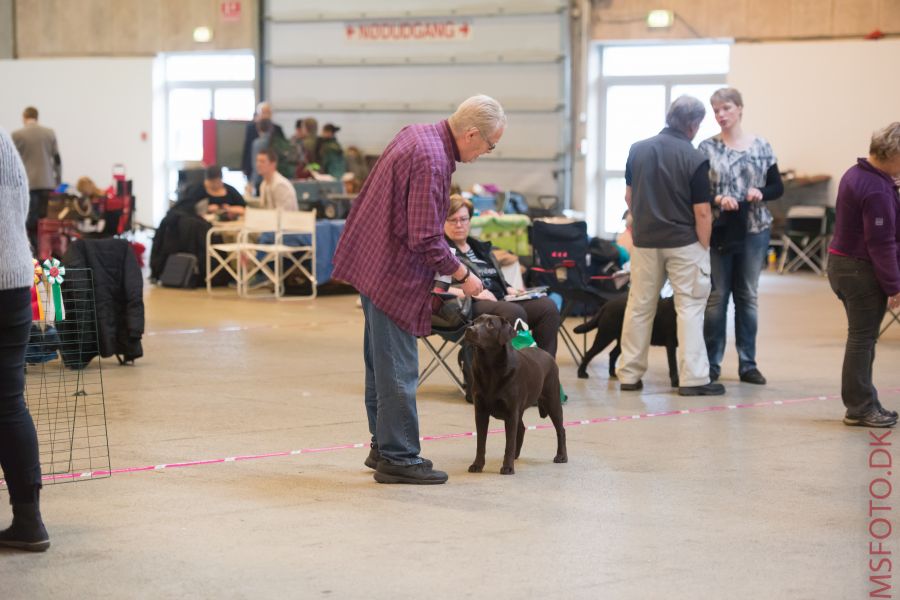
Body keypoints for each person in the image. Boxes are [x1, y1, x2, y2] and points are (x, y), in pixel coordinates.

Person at [332, 94, 504, 484]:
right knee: (398, 369)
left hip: (372, 261)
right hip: (393, 272)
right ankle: (399, 455)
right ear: (472, 133)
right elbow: (426, 237)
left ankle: (384, 445)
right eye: (490, 145)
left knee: (380, 364)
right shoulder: (433, 161)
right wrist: (464, 276)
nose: (485, 153)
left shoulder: (418, 134)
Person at [617, 95, 724, 396]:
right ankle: (693, 379)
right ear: (692, 124)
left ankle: (629, 375)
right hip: (683, 242)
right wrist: (703, 247)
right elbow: (702, 211)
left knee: (639, 306)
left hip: (646, 241)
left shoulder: (637, 150)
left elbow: (629, 197)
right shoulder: (694, 158)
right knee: (689, 307)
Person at [699, 88, 784, 385]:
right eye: (716, 110)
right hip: (721, 230)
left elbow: (777, 187)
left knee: (747, 296)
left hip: (754, 229)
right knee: (717, 296)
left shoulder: (761, 146)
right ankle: (711, 363)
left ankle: (748, 363)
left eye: (726, 108)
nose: (721, 115)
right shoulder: (706, 148)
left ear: (740, 109)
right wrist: (719, 199)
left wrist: (760, 192)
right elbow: (697, 192)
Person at [827, 122, 900, 428]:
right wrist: (894, 285)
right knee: (862, 339)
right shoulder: (877, 189)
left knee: (863, 338)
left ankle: (866, 400)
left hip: (841, 264)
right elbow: (880, 243)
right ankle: (859, 407)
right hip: (859, 271)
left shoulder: (856, 173)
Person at [0, 127, 50, 551]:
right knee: (9, 402)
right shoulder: (3, 139)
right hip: (15, 281)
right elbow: (22, 204)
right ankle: (29, 520)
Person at [440, 194, 560, 356]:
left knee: (547, 307)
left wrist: (511, 290)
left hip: (500, 300)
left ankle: (544, 369)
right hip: (468, 306)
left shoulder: (480, 247)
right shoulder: (442, 251)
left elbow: (496, 278)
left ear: (470, 220)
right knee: (512, 312)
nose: (459, 225)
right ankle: (518, 373)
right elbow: (437, 288)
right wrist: (472, 293)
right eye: (452, 220)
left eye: (463, 219)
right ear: (442, 221)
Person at [12, 106, 61, 251]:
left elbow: (13, 162)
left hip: (28, 184)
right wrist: (58, 180)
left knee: (29, 219)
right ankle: (44, 250)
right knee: (44, 220)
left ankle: (31, 251)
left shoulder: (17, 135)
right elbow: (57, 159)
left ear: (24, 117)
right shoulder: (49, 133)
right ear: (37, 117)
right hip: (47, 183)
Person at [241, 102, 285, 183]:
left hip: (273, 168)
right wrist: (244, 167)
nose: (266, 115)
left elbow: (283, 148)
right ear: (258, 114)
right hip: (254, 166)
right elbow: (247, 147)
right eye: (263, 112)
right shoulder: (251, 128)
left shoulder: (277, 129)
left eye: (268, 112)